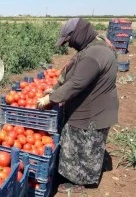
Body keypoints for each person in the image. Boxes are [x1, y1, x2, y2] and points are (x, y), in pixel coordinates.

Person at [37, 18, 119, 193]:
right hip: (95, 105)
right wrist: (56, 88)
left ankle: (79, 181)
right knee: (83, 145)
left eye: (69, 40)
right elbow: (72, 72)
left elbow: (77, 83)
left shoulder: (93, 55)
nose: (69, 45)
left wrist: (51, 98)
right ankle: (80, 174)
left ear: (78, 34)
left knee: (85, 147)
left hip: (94, 110)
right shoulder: (94, 46)